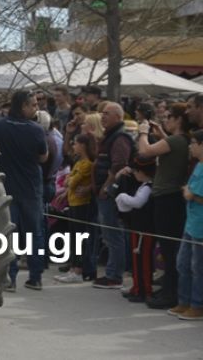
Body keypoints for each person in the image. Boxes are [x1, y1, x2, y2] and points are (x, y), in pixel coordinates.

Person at [0, 90, 48, 291]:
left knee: (8, 234)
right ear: (23, 106)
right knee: (34, 233)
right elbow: (43, 157)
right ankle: (35, 276)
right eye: (33, 105)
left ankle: (9, 278)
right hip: (30, 188)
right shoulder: (36, 130)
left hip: (4, 188)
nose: (36, 108)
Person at [138, 103, 191, 309]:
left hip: (168, 197)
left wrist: (143, 133)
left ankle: (171, 292)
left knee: (169, 248)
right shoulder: (178, 140)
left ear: (178, 120)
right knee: (168, 247)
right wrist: (161, 133)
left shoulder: (177, 139)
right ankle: (169, 287)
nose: (165, 120)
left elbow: (145, 152)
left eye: (169, 117)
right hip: (168, 196)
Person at [168, 130, 203, 321]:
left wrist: (189, 192)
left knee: (197, 267)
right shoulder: (199, 166)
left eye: (193, 143)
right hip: (191, 221)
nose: (190, 146)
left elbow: (196, 196)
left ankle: (197, 304)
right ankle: (184, 301)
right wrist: (190, 192)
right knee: (182, 263)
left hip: (202, 224)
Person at [92, 102, 133, 289]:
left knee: (113, 234)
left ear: (118, 116)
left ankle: (114, 275)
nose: (103, 116)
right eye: (102, 113)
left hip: (110, 194)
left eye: (107, 113)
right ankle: (112, 271)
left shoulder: (120, 137)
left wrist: (107, 187)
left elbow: (118, 164)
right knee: (108, 234)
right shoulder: (109, 136)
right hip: (103, 191)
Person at [114, 156, 156, 302]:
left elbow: (137, 203)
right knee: (137, 260)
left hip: (144, 230)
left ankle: (143, 290)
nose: (135, 173)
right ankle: (137, 287)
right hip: (138, 228)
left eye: (137, 170)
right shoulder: (143, 186)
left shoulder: (147, 188)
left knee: (143, 261)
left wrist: (122, 196)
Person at [55, 133, 95, 283]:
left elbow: (70, 182)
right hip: (73, 202)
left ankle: (79, 269)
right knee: (73, 237)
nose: (74, 146)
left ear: (83, 145)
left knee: (79, 238)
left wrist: (68, 182)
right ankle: (73, 267)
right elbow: (68, 181)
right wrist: (67, 185)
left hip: (81, 204)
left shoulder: (86, 164)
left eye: (76, 143)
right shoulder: (78, 162)